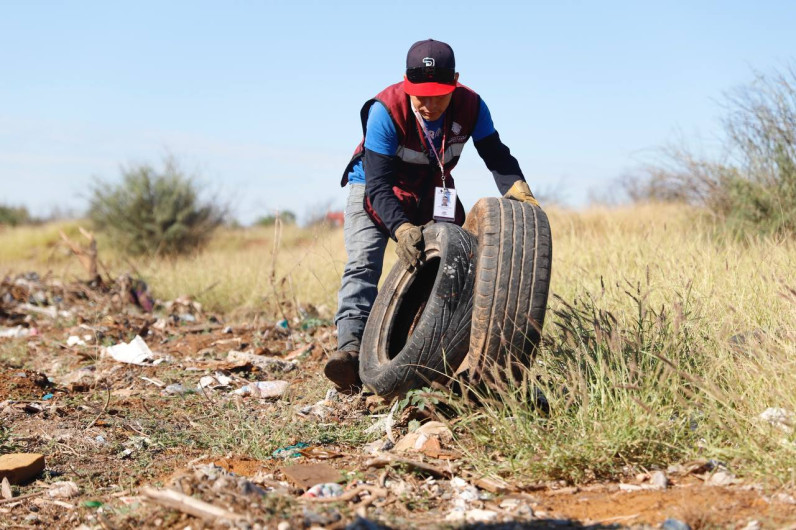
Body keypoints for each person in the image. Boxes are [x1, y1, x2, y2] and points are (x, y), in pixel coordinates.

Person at [326, 39, 539, 391]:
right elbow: (378, 186)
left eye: (438, 96)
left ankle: (432, 347)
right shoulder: (385, 110)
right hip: (375, 187)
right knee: (363, 261)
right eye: (419, 96)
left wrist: (518, 189)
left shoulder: (472, 106)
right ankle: (349, 350)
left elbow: (496, 154)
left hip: (431, 187)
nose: (428, 106)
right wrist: (402, 228)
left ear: (455, 82)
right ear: (405, 84)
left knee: (456, 260)